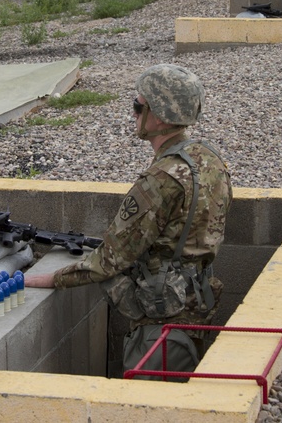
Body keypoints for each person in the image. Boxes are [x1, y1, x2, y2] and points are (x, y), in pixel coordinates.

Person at [24, 63, 232, 377]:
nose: (133, 114)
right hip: (197, 303)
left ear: (159, 116)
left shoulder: (159, 180)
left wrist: (47, 279)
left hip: (162, 319)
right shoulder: (211, 159)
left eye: (138, 106)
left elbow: (108, 260)